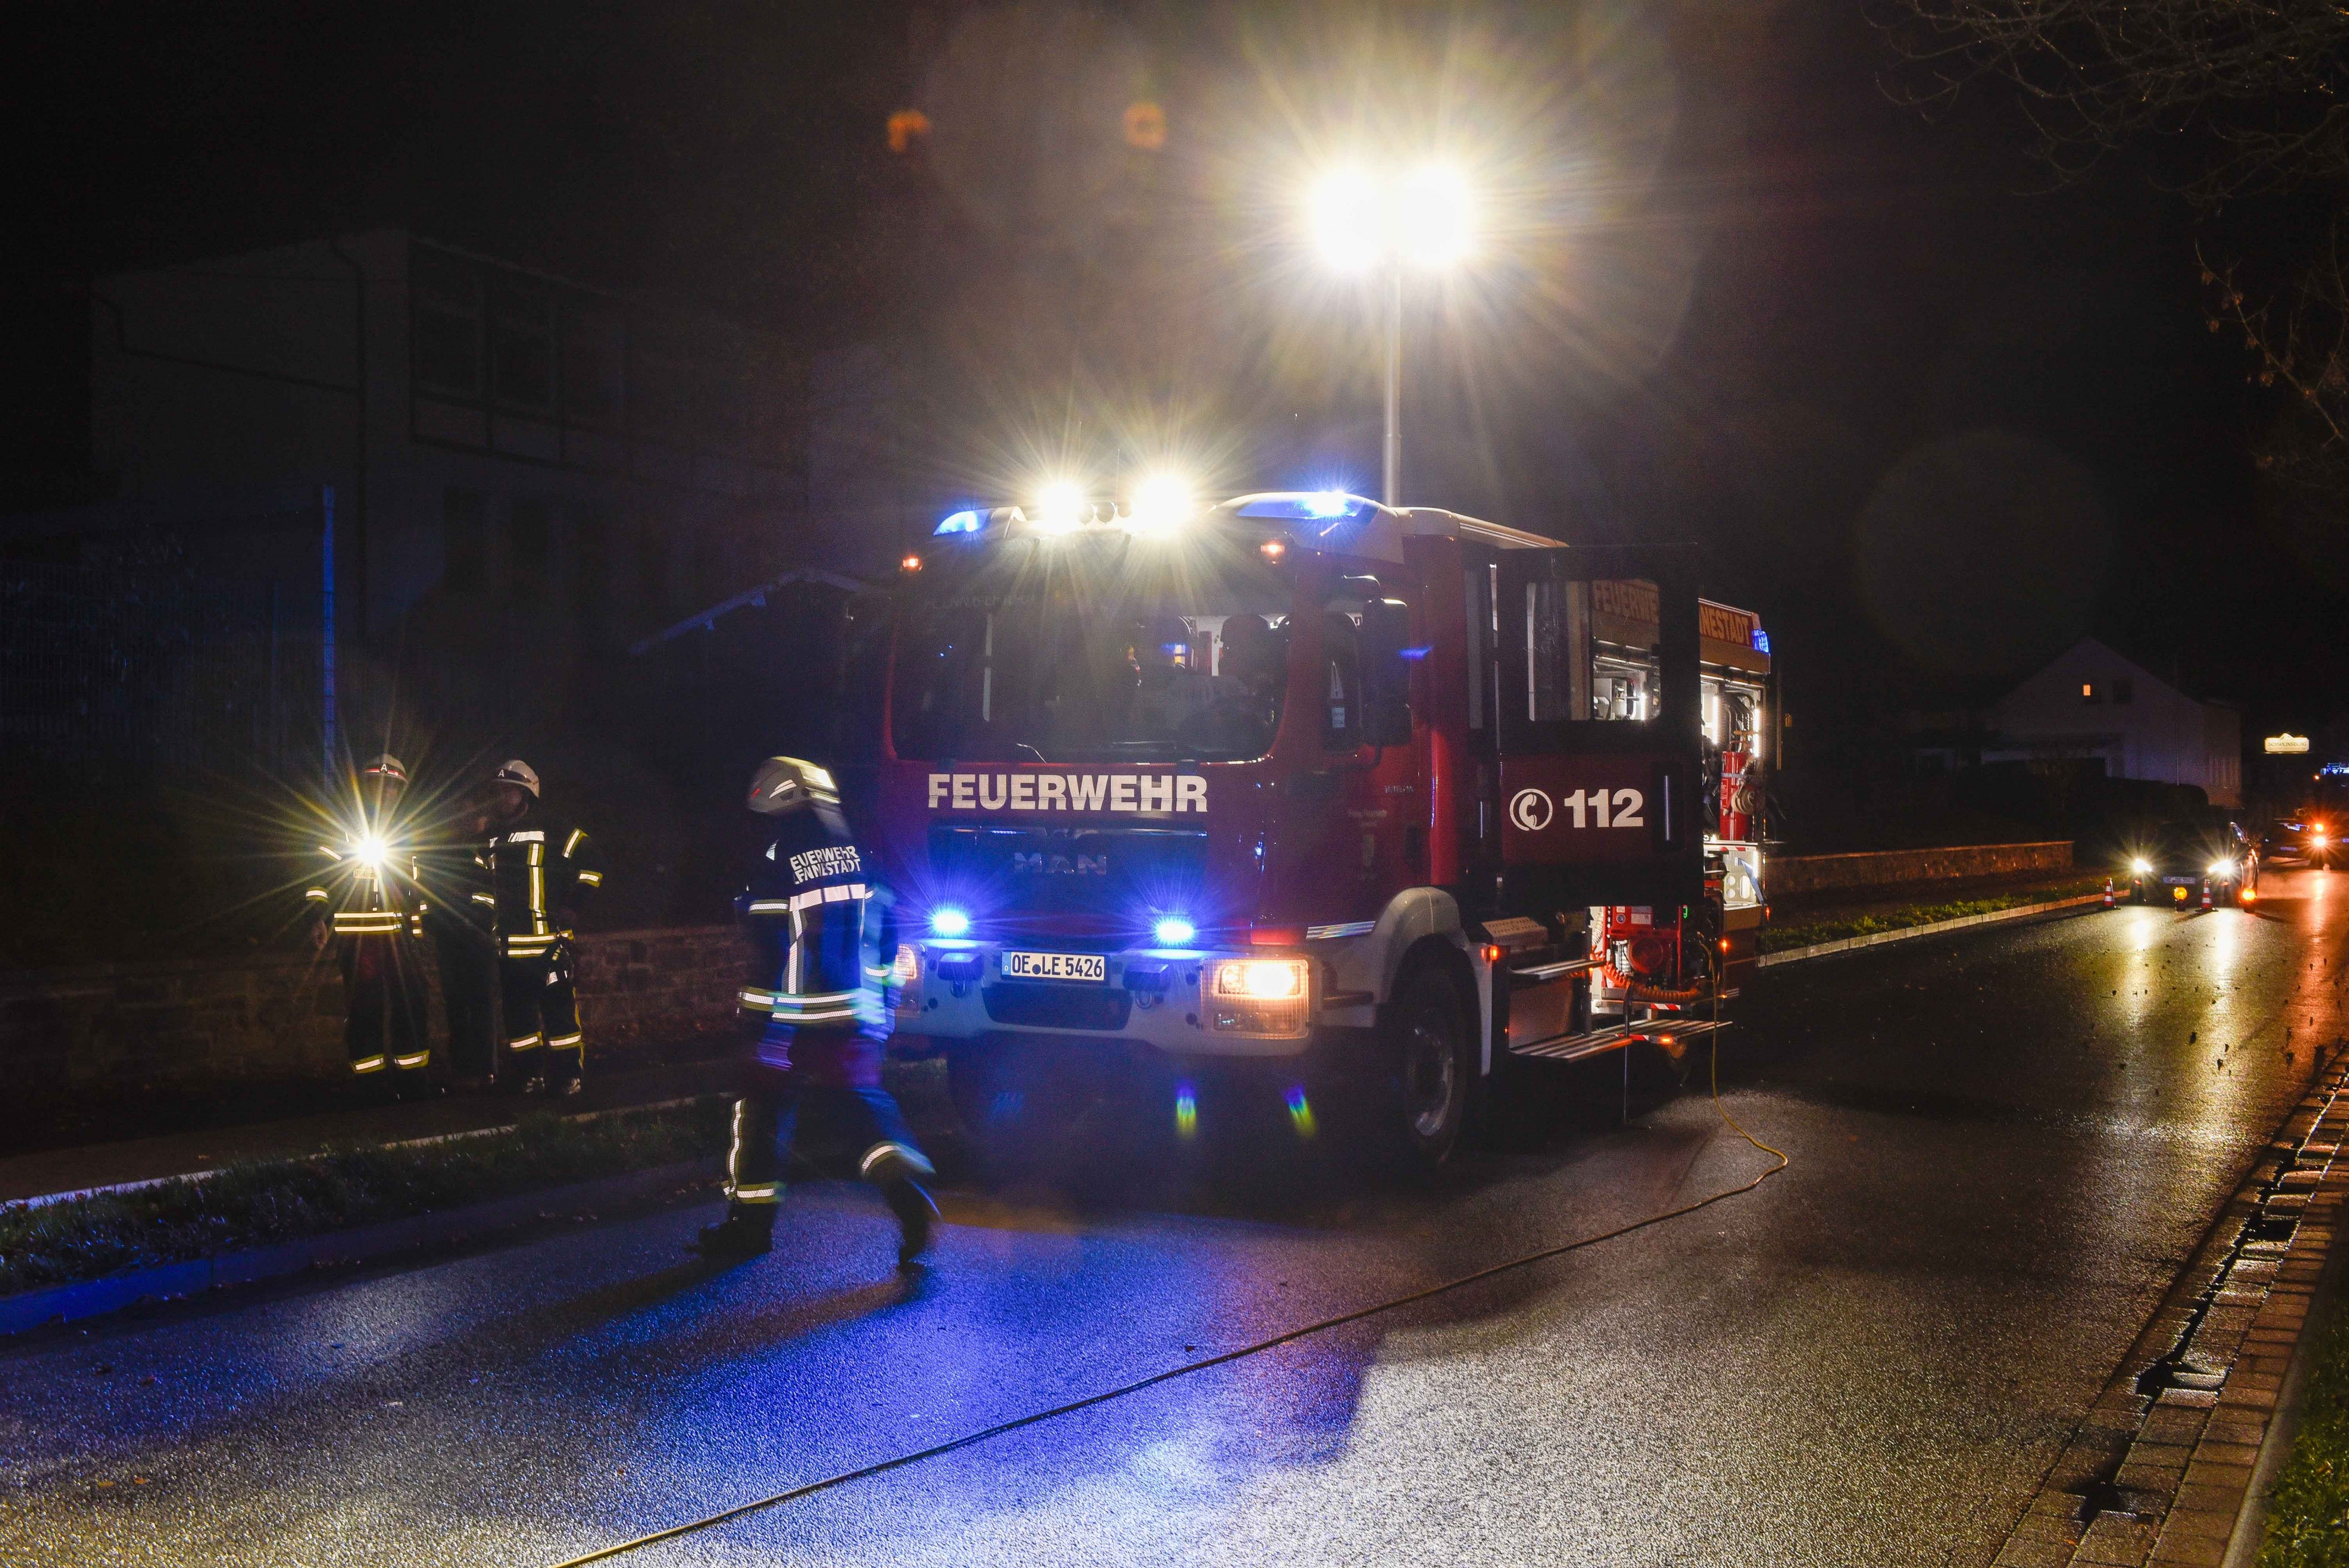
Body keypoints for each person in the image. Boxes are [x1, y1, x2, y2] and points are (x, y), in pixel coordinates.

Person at [697, 756, 937, 1268]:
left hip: (790, 1022)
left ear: (776, 798)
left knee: (758, 1117)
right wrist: (882, 1006)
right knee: (860, 1111)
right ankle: (903, 1189)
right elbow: (891, 934)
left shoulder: (779, 855)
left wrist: (760, 1027)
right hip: (853, 1016)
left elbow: (770, 945)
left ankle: (749, 1227)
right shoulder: (860, 852)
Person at [303, 753, 434, 1097]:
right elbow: (320, 877)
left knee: (411, 1006)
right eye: (377, 785)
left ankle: (414, 1082)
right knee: (365, 1011)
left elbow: (419, 885)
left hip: (400, 936)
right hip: (359, 937)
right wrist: (317, 915)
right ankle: (371, 1086)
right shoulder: (342, 830)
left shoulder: (409, 832)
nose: (384, 794)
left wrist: (421, 930)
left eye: (390, 788)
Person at [480, 759, 604, 1095]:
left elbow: (592, 862)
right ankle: (528, 1077)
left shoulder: (554, 828)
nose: (504, 798)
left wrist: (574, 904)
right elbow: (479, 885)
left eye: (511, 791)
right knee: (518, 1023)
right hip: (509, 948)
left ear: (527, 794)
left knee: (560, 1017)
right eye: (500, 792)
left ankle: (568, 1078)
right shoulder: (490, 835)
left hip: (549, 944)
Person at [420, 780, 500, 1091]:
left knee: (480, 1003)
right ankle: (463, 1068)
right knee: (456, 1004)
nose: (474, 820)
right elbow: (428, 892)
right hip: (450, 938)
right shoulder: (444, 850)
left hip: (477, 939)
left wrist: (476, 922)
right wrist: (435, 922)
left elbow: (492, 892)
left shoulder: (487, 848)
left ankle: (485, 1069)